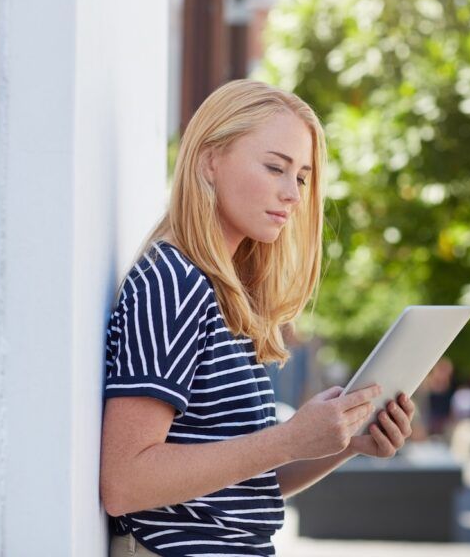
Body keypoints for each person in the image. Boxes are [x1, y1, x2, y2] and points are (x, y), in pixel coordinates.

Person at [100, 80, 416, 556]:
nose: (292, 193)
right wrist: (288, 439)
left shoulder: (223, 292)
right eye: (275, 168)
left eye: (303, 177)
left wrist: (346, 440)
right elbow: (125, 481)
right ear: (209, 161)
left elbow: (242, 487)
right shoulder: (171, 281)